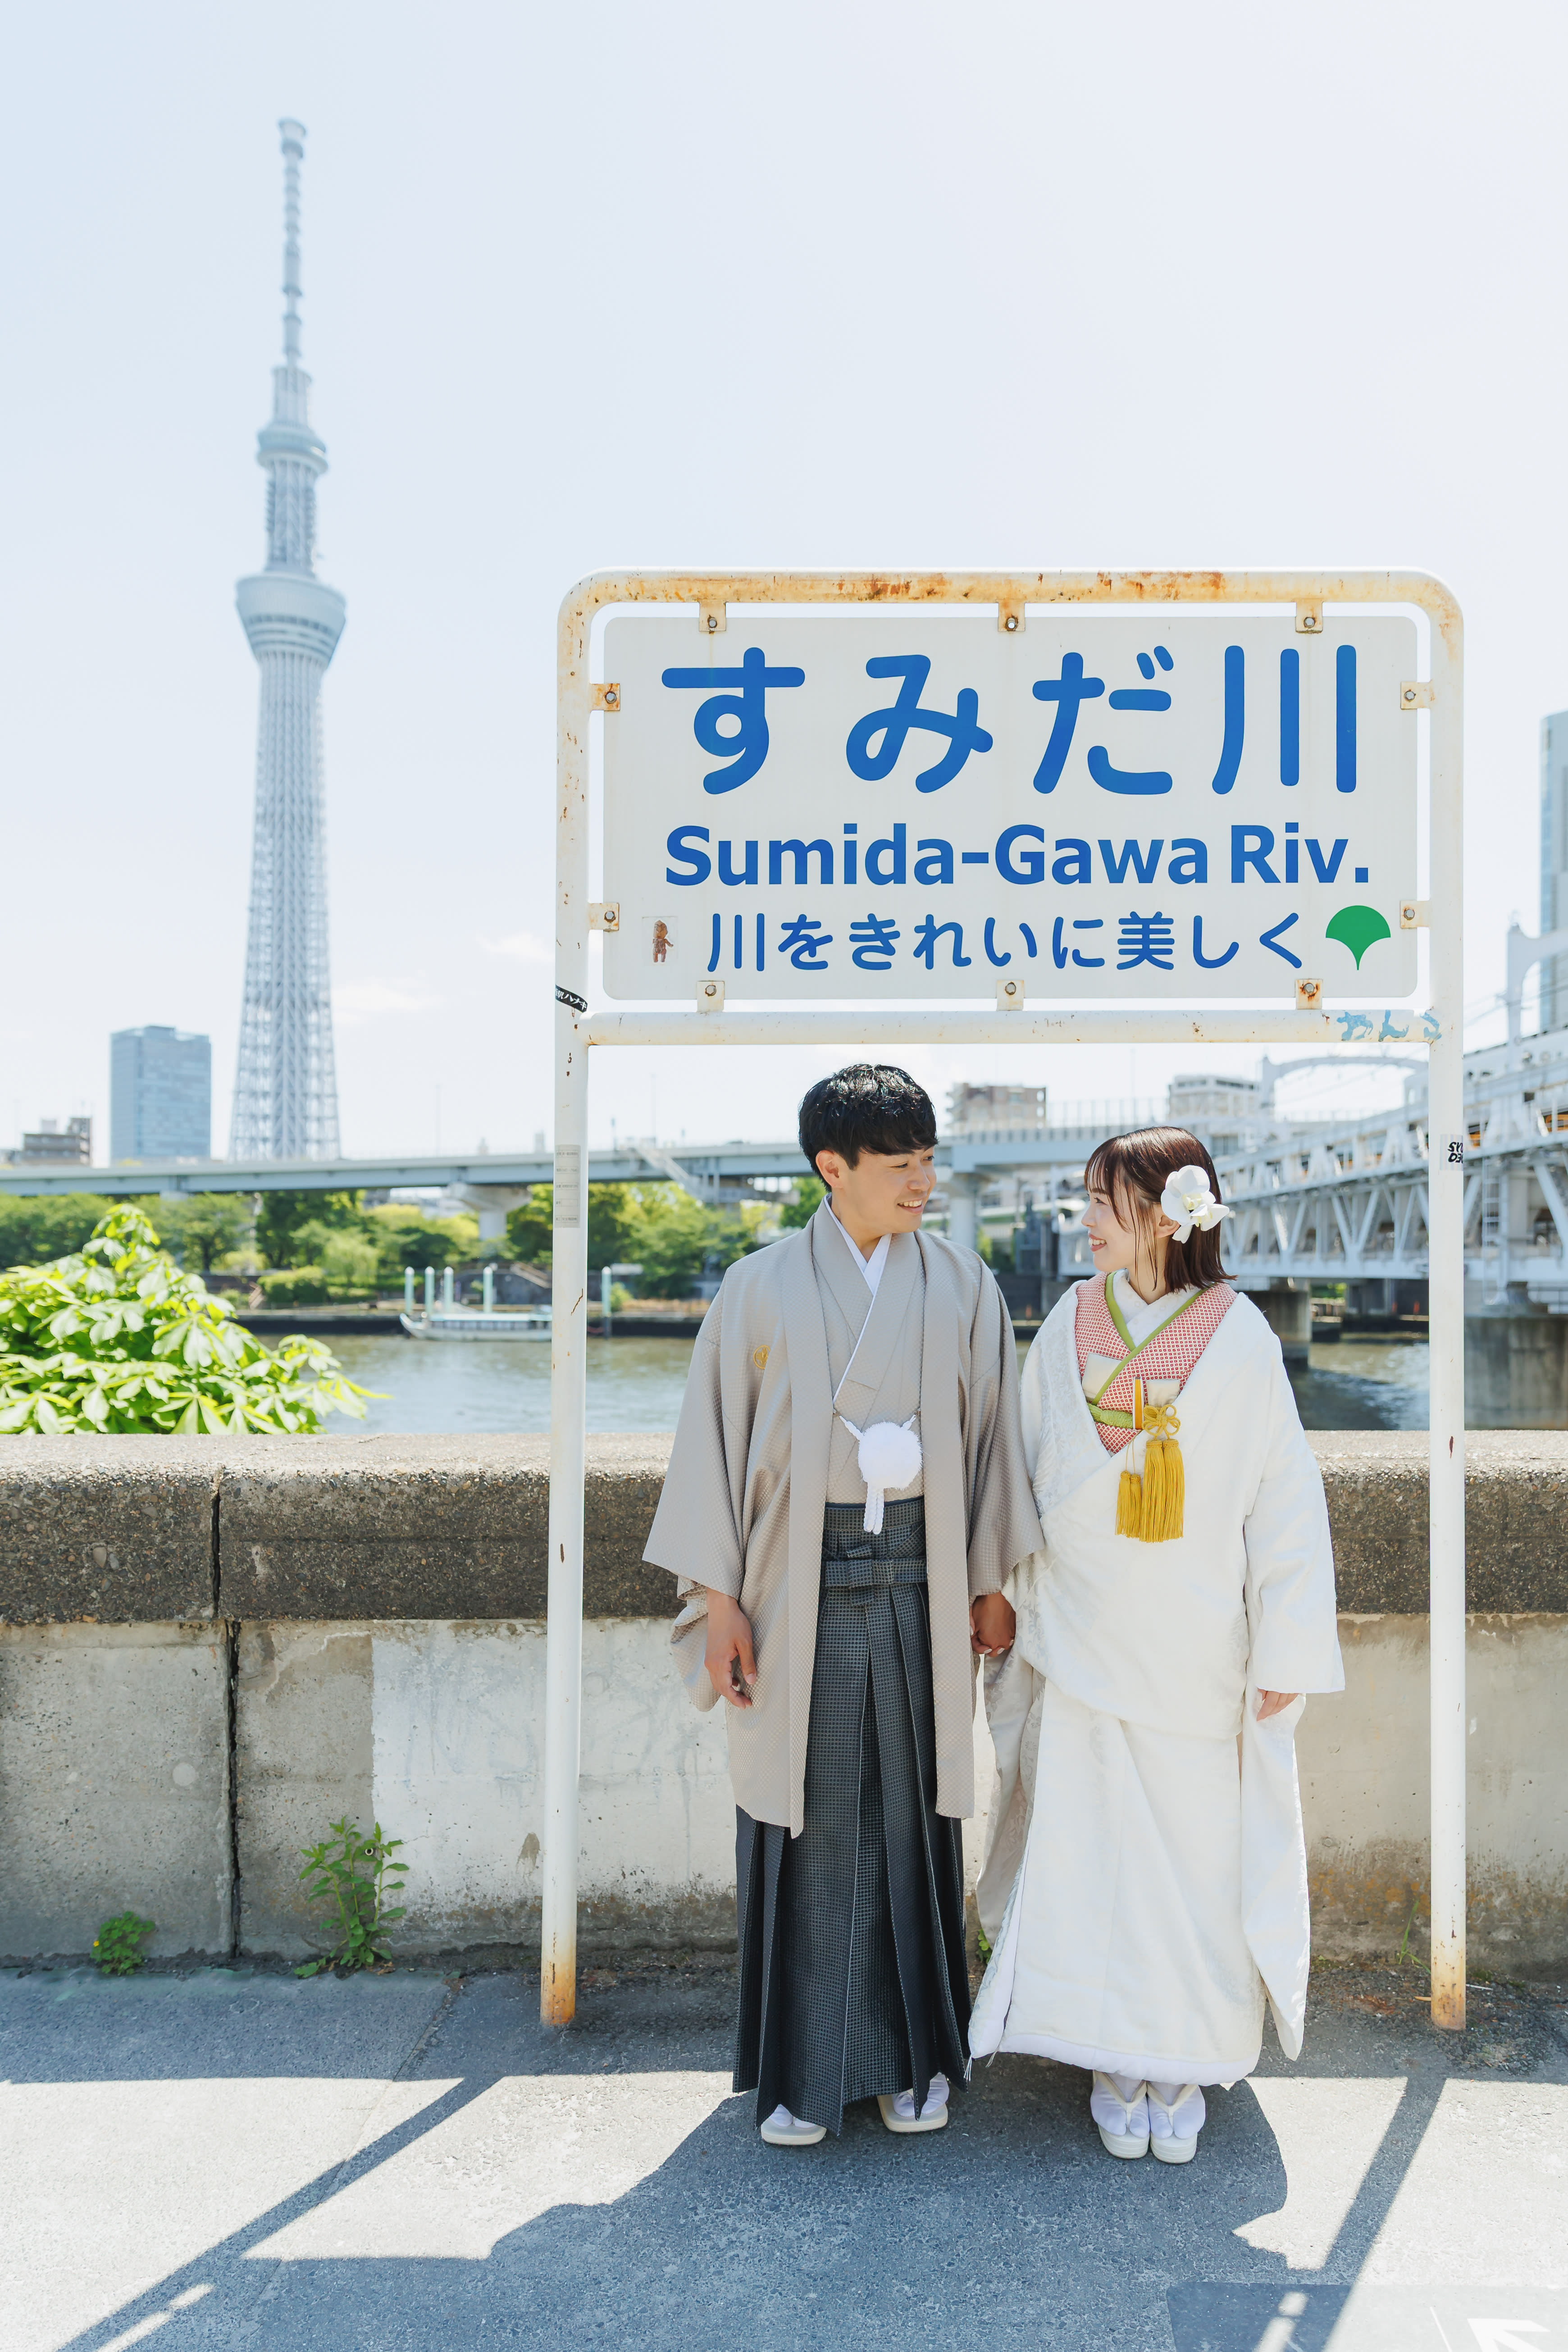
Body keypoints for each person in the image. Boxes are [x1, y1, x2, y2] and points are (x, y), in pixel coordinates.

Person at [645, 1065, 1041, 2147]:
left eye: (929, 1161)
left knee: (916, 1817)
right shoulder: (759, 1286)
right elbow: (712, 1447)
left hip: (923, 1576)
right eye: (900, 1163)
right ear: (834, 1167)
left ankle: (916, 2062)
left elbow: (994, 1443)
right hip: (792, 1584)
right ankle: (801, 2075)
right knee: (805, 1816)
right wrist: (719, 1599)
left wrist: (990, 1584)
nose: (923, 1182)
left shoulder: (962, 1284)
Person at [969, 1127, 1343, 2165]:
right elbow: (1020, 1469)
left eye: (1104, 1200)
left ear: (1166, 1214)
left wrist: (1286, 1649)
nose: (1085, 1219)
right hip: (1080, 1633)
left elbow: (1283, 1500)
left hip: (1194, 1648)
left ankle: (1182, 2054)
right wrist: (1000, 1592)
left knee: (1191, 1861)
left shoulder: (1242, 1336)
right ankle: (1106, 2054)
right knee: (1087, 1853)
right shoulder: (1068, 1321)